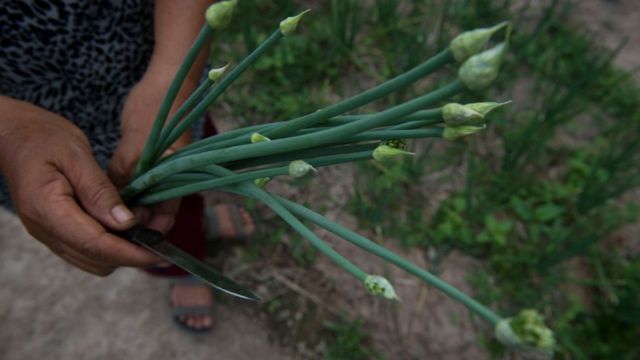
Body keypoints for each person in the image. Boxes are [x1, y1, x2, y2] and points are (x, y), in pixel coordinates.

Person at [0, 0, 252, 333]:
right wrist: (10, 131)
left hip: (151, 72)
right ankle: (182, 268)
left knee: (178, 189)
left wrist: (170, 79)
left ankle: (198, 231)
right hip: (22, 143)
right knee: (128, 233)